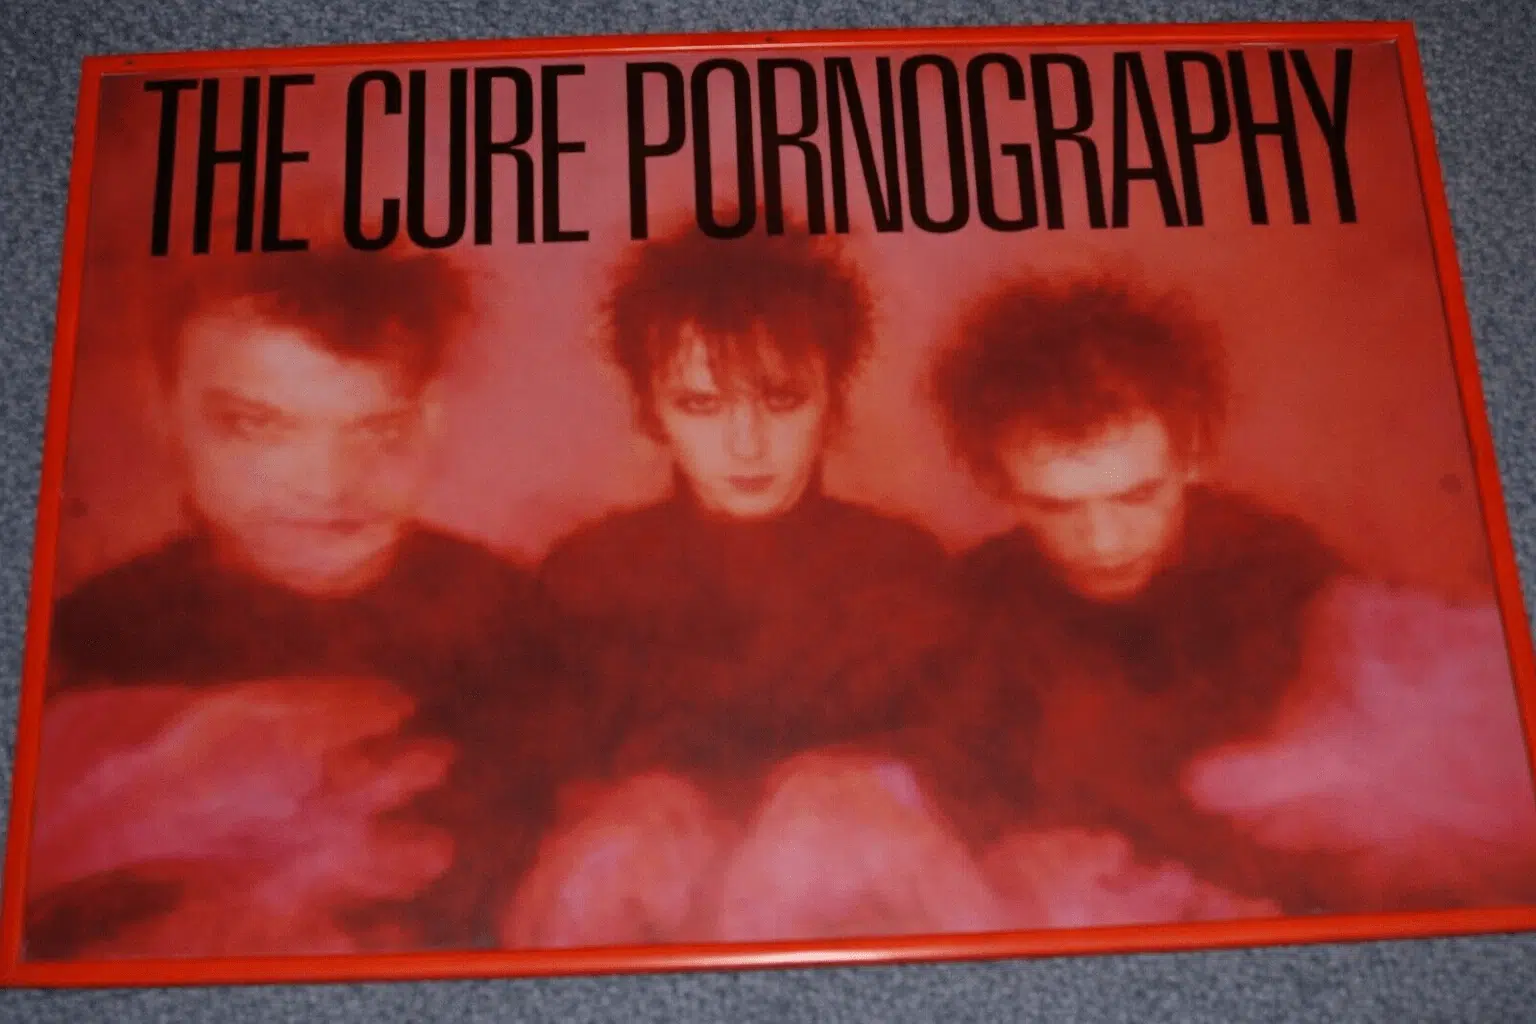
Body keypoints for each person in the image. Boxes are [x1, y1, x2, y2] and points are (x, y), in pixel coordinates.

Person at [30, 242, 574, 957]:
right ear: (166, 414)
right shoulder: (86, 639)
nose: (327, 484)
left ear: (432, 418)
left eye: (379, 428)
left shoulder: (521, 618)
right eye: (257, 426)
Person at [512, 223, 967, 944]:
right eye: (700, 405)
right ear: (650, 412)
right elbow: (536, 791)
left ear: (833, 402)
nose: (746, 444)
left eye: (783, 400)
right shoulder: (588, 572)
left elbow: (959, 783)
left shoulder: (902, 566)